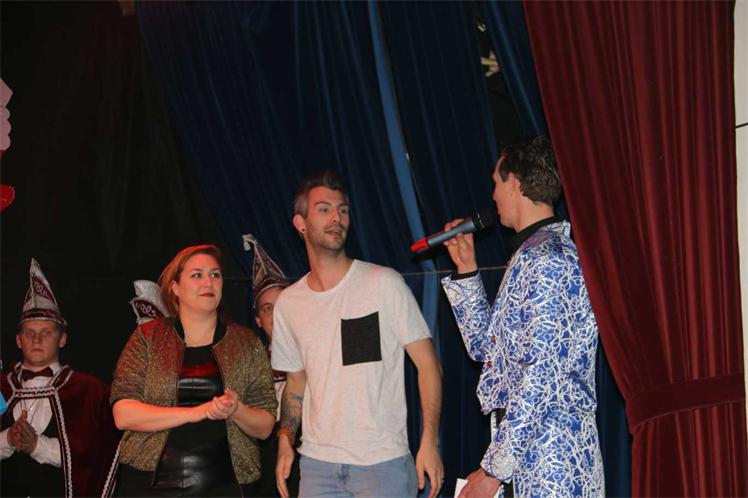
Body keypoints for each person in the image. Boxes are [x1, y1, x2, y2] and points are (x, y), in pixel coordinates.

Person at [441, 136, 605, 497]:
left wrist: (493, 471)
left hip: (554, 460)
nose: (493, 196)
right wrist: (467, 271)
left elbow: (540, 373)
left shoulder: (549, 259)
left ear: (514, 182)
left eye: (495, 183)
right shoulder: (531, 255)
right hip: (528, 455)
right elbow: (487, 351)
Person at [272, 170, 444, 498]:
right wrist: (284, 440)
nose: (336, 218)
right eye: (324, 209)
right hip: (318, 467)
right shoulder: (289, 303)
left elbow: (428, 365)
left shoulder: (383, 284)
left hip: (383, 465)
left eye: (343, 210)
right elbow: (295, 382)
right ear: (300, 223)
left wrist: (429, 441)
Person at [110, 244, 277, 497]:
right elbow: (123, 414)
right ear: (175, 287)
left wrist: (235, 409)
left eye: (215, 275)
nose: (208, 282)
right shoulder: (147, 337)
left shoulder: (246, 343)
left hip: (226, 486)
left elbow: (265, 426)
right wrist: (197, 412)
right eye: (197, 275)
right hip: (148, 485)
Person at [0, 258, 120, 497]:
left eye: (46, 333)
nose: (36, 340)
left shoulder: (88, 390)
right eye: (29, 333)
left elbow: (97, 456)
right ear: (18, 340)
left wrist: (37, 445)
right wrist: (8, 439)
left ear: (62, 339)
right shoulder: (2, 387)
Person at [243, 233, 301, 497]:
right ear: (257, 319)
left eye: (282, 306)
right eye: (268, 309)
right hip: (264, 456)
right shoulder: (248, 365)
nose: (276, 315)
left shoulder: (316, 354)